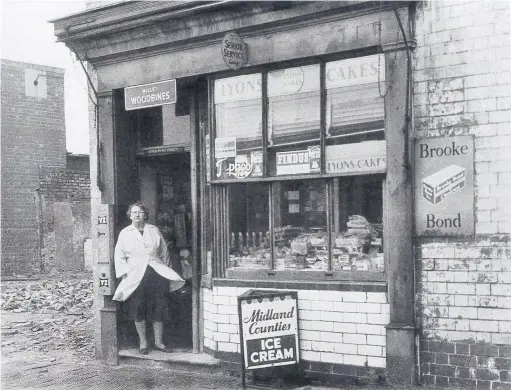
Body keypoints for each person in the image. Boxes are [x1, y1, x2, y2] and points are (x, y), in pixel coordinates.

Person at [113, 201, 185, 355]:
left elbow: (164, 252)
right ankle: (143, 342)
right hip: (136, 275)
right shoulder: (125, 233)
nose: (136, 215)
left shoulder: (154, 230)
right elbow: (119, 256)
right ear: (129, 215)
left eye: (139, 212)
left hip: (156, 274)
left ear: (145, 214)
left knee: (159, 307)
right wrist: (125, 273)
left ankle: (159, 342)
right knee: (138, 308)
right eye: (133, 213)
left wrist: (165, 269)